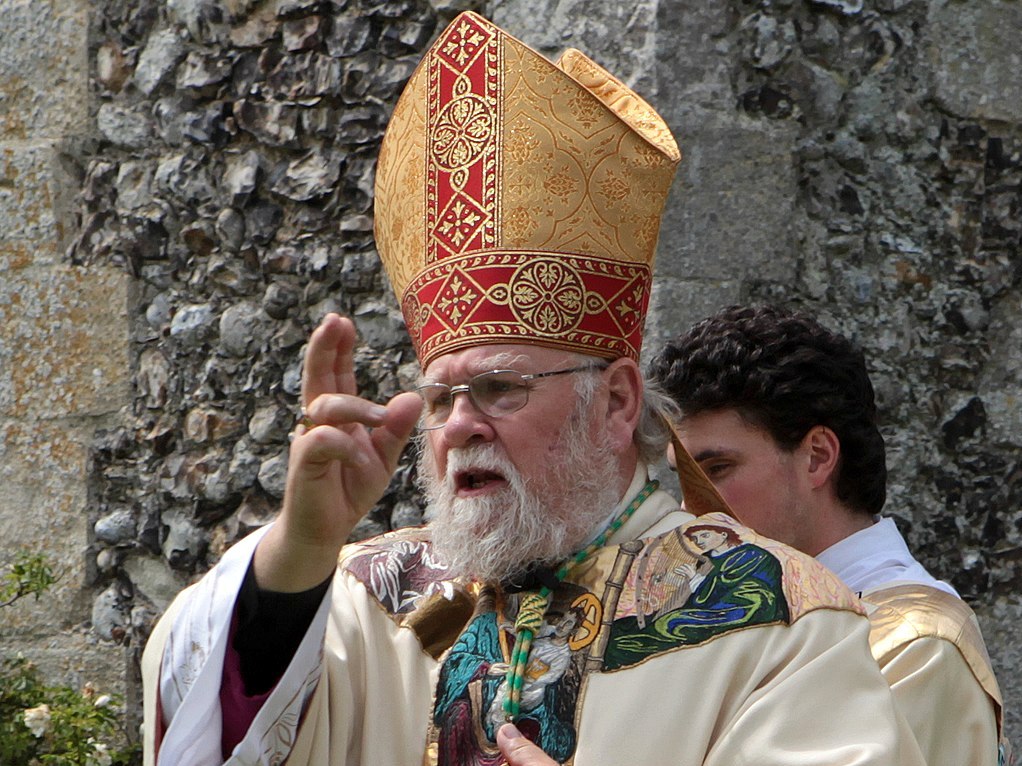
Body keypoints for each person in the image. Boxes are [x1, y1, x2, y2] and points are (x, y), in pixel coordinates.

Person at [142, 14, 925, 766]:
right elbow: (202, 700)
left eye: (498, 388)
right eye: (442, 397)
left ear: (618, 402)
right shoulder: (365, 598)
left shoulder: (780, 618)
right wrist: (300, 549)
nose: (459, 427)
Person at [651, 304, 1009, 766]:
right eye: (681, 479)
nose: (689, 509)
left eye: (717, 469)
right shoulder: (737, 617)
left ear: (817, 456)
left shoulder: (914, 646)